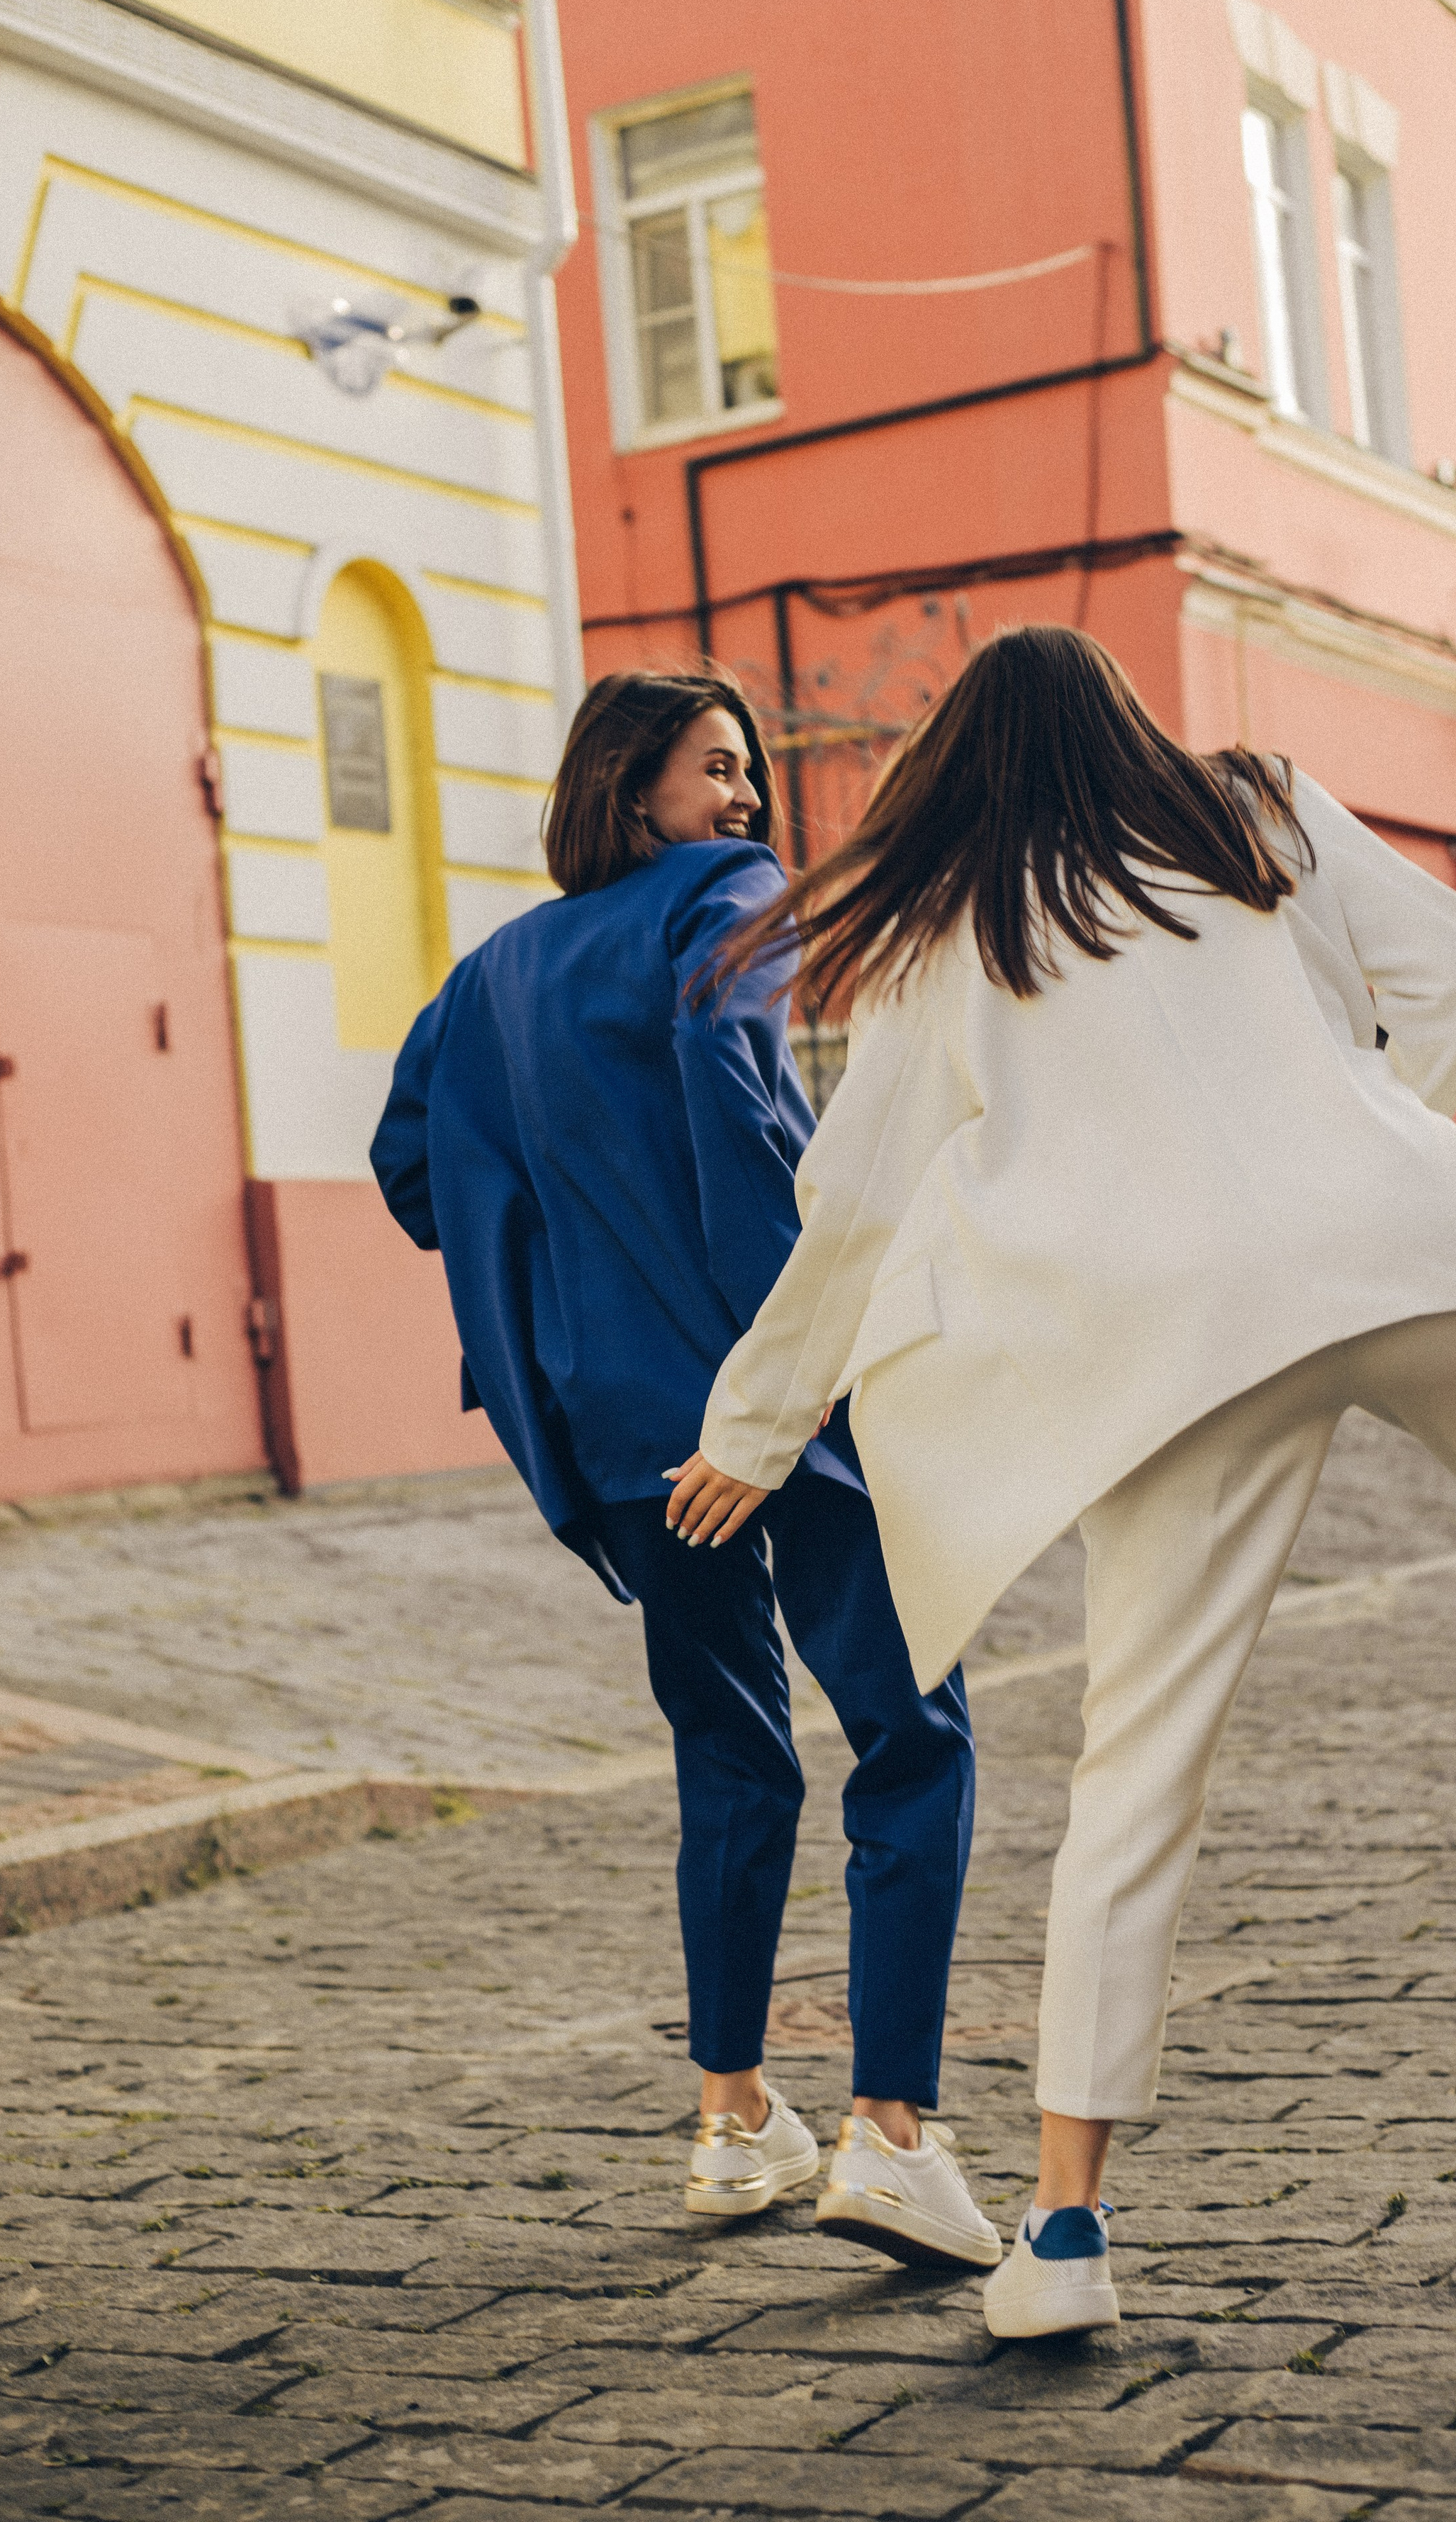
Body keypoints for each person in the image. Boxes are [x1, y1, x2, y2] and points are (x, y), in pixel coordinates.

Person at [663, 624, 1456, 2341]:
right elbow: (1453, 961)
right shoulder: (1259, 810)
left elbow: (851, 1206)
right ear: (1125, 723)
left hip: (1168, 1350)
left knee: (1133, 1774)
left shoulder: (955, 924)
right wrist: (1367, 1125)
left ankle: (1067, 2235)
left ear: (965, 767)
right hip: (1410, 1243)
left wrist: (751, 1429)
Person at [370, 666, 998, 2268]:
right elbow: (734, 1100)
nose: (745, 801)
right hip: (764, 1394)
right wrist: (780, 1371)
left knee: (729, 1760)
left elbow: (408, 1168)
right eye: (713, 767)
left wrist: (555, 1270)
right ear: (626, 781)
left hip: (623, 1434)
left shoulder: (488, 973)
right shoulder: (726, 896)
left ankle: (730, 2121)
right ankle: (889, 2138)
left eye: (747, 777)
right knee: (909, 1738)